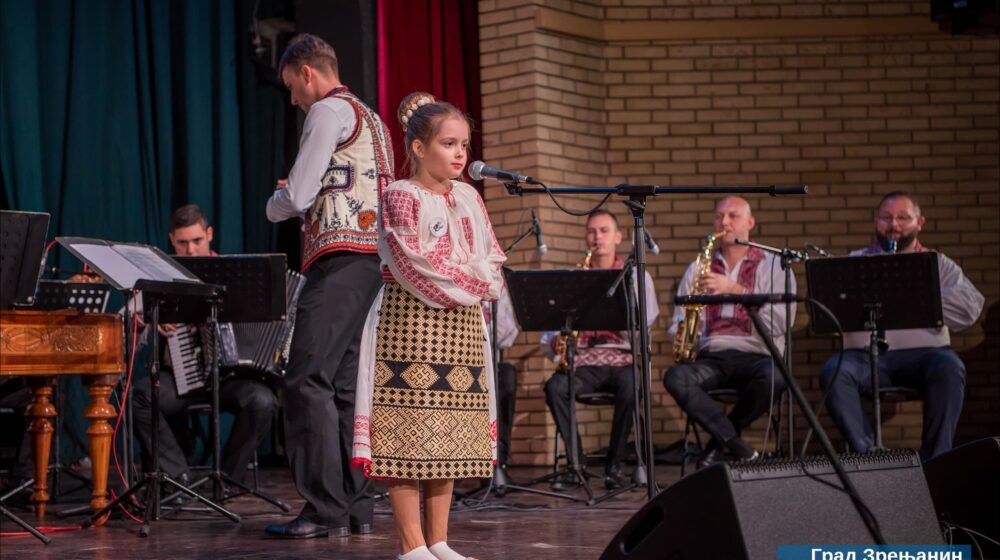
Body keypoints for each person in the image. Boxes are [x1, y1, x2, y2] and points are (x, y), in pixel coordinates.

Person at [352, 92, 504, 560]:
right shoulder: (402, 195)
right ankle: (411, 545)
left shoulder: (471, 199)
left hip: (461, 330)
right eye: (448, 143)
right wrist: (472, 281)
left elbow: (493, 261)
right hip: (410, 322)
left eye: (464, 145)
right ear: (419, 148)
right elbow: (416, 263)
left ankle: (438, 541)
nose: (460, 154)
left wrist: (475, 279)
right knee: (409, 430)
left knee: (450, 432)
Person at [264, 34, 394, 539]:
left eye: (292, 85)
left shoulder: (326, 112)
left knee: (306, 379)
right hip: (371, 266)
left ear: (307, 72)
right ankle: (354, 508)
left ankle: (323, 508)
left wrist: (275, 201)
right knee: (343, 387)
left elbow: (298, 195)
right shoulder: (371, 118)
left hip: (340, 262)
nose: (293, 97)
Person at [820, 191, 984, 461]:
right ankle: (871, 457)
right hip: (866, 357)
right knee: (834, 372)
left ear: (920, 222)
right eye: (886, 218)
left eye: (903, 218)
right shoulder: (856, 260)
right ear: (876, 221)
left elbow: (969, 309)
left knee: (950, 367)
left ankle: (937, 460)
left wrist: (915, 297)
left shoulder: (938, 263)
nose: (893, 225)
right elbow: (831, 313)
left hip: (925, 356)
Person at [132, 204, 278, 486]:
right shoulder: (161, 276)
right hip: (179, 377)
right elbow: (132, 317)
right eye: (183, 243)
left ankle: (227, 480)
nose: (190, 250)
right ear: (172, 240)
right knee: (141, 396)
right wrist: (150, 320)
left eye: (197, 241)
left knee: (263, 401)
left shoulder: (234, 275)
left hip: (229, 378)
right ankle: (180, 478)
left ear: (209, 235)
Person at [663, 196, 794, 468]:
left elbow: (783, 322)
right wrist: (683, 329)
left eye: (732, 216)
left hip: (757, 355)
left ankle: (719, 445)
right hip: (712, 356)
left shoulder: (774, 265)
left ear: (750, 222)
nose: (724, 222)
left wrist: (735, 290)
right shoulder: (698, 267)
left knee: (776, 377)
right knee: (676, 377)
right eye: (719, 216)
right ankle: (738, 446)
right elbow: (679, 320)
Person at [540, 209, 659, 490]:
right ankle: (576, 464)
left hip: (621, 359)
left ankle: (613, 465)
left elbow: (647, 325)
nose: (597, 237)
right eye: (592, 231)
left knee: (633, 384)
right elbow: (551, 330)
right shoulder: (574, 277)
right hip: (583, 362)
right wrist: (555, 341)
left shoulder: (636, 277)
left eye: (604, 231)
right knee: (555, 387)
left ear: (618, 237)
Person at [486, 290, 519, 484]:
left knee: (507, 375)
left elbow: (508, 336)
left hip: (490, 361)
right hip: (459, 362)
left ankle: (500, 461)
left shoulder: (496, 289)